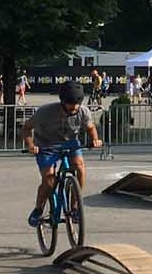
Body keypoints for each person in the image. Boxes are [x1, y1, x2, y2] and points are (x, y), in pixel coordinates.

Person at [22, 83, 102, 226]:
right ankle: (38, 209)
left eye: (77, 106)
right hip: (46, 145)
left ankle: (75, 206)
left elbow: (90, 128)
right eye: (70, 106)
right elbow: (26, 128)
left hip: (70, 143)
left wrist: (95, 140)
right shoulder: (45, 111)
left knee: (80, 166)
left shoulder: (83, 111)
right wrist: (30, 145)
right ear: (62, 102)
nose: (74, 109)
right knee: (49, 179)